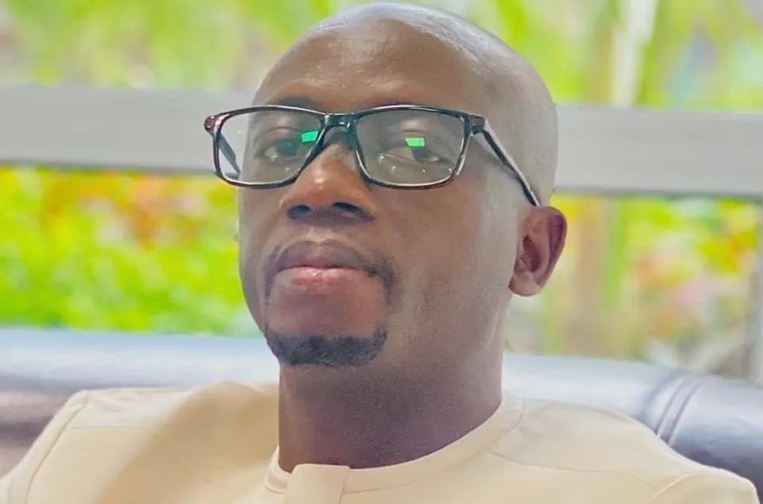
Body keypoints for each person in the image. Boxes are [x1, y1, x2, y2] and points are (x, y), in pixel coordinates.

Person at [0, 3, 758, 504]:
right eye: (281, 144)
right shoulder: (94, 458)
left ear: (530, 252)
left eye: (413, 147)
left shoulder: (649, 497)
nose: (316, 184)